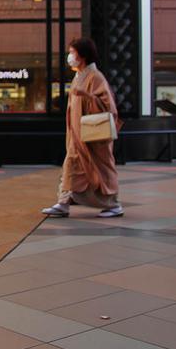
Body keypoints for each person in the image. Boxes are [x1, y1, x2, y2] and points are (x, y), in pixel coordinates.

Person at [42, 38, 124, 218]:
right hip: (78, 135)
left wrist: (87, 95)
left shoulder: (95, 77)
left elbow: (107, 106)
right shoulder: (79, 75)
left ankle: (112, 204)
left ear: (83, 55)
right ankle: (63, 202)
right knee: (71, 166)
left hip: (92, 136)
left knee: (99, 169)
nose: (70, 56)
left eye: (72, 52)